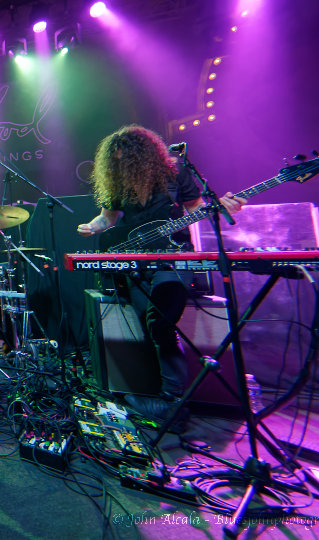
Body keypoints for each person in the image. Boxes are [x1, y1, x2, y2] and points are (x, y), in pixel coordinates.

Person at [77, 125, 246, 421]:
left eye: (124, 159)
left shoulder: (175, 174)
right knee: (146, 324)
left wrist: (223, 207)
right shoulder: (119, 182)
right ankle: (160, 395)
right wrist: (93, 226)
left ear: (141, 156)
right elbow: (107, 218)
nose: (119, 164)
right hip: (137, 261)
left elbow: (198, 209)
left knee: (161, 323)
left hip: (173, 257)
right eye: (114, 161)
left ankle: (172, 401)